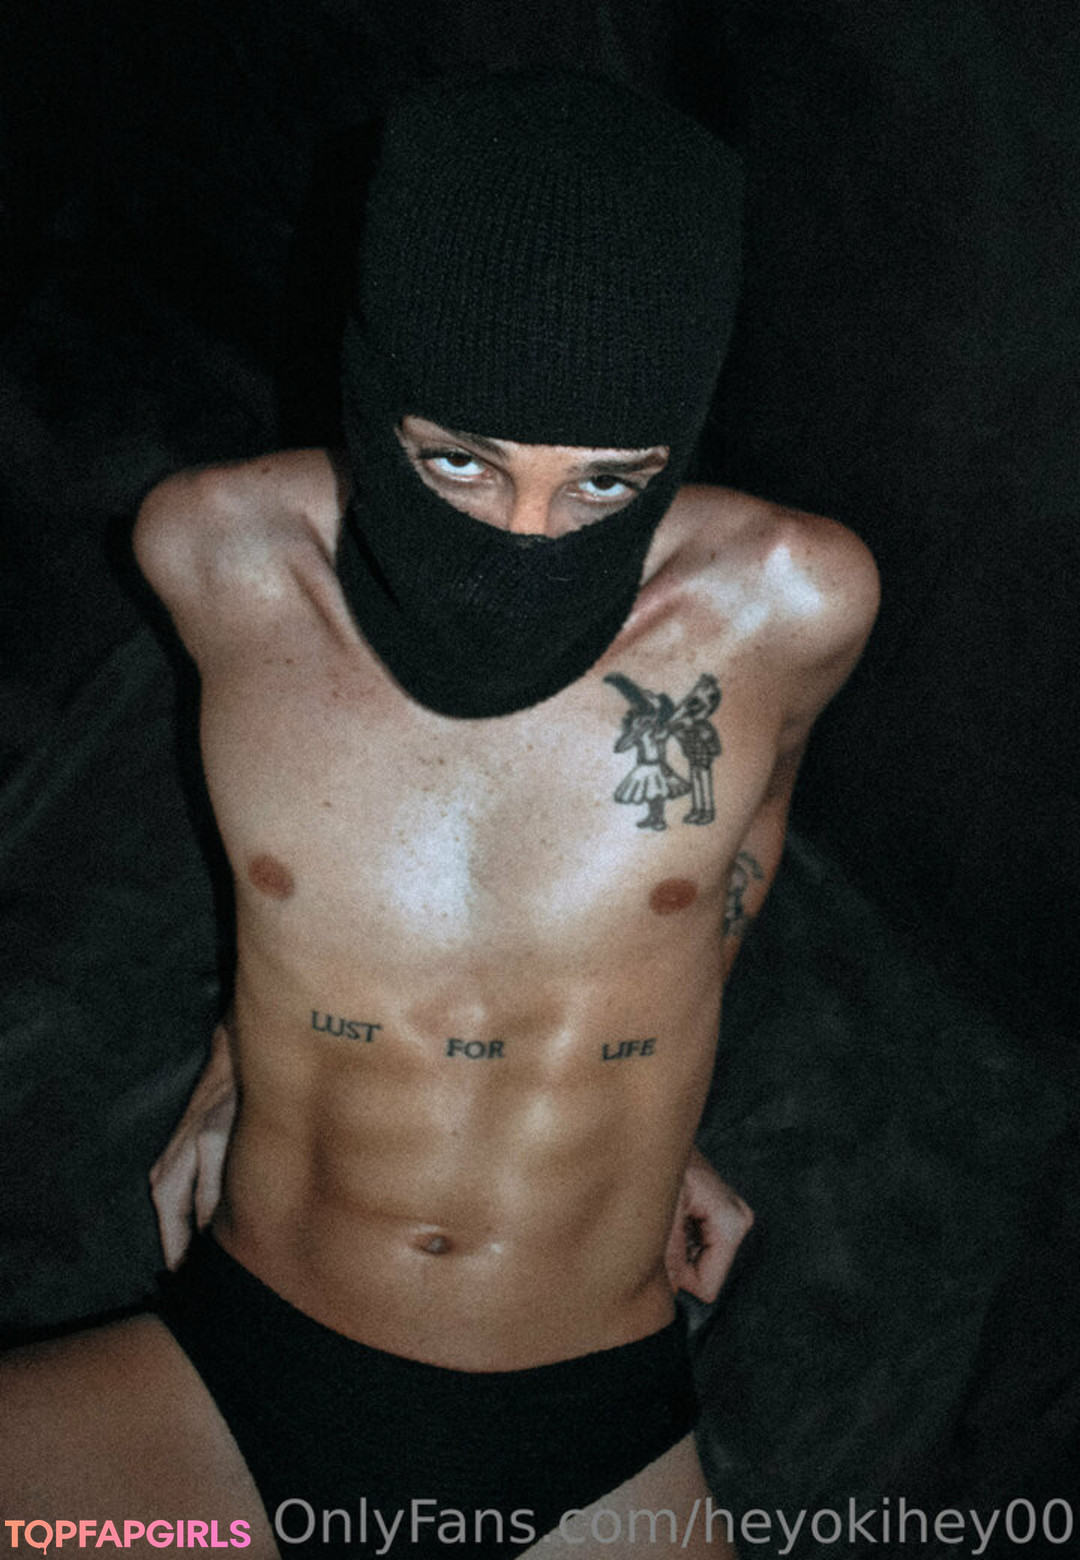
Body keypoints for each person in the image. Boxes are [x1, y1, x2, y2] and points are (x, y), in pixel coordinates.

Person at [0, 71, 878, 1557]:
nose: (523, 537)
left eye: (604, 486)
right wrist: (233, 1047)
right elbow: (272, 868)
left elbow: (745, 845)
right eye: (459, 462)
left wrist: (648, 1094)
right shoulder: (215, 556)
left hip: (589, 1428)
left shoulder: (791, 602)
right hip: (237, 1362)